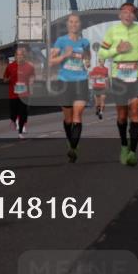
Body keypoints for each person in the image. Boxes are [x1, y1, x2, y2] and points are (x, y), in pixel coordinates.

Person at [98, 2, 138, 166]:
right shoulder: (112, 31)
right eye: (125, 12)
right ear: (120, 15)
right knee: (122, 116)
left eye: (131, 12)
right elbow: (102, 53)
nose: (128, 15)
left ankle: (133, 152)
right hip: (119, 75)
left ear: (134, 15)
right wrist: (117, 51)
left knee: (135, 110)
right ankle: (123, 145)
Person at [49, 13, 91, 162]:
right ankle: (71, 143)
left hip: (81, 81)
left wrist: (87, 62)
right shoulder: (60, 41)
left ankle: (73, 148)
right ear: (67, 25)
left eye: (76, 22)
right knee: (67, 119)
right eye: (71, 22)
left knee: (77, 115)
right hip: (64, 81)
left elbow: (88, 57)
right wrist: (64, 56)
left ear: (80, 25)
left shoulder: (85, 42)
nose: (74, 24)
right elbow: (51, 62)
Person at [3, 46, 35, 138]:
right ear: (15, 56)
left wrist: (32, 82)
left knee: (23, 112)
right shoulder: (10, 66)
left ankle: (21, 130)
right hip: (13, 94)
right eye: (18, 55)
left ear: (24, 56)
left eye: (21, 55)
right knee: (13, 113)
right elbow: (4, 79)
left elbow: (33, 76)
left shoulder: (29, 66)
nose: (19, 56)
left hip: (25, 93)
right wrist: (8, 79)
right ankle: (15, 120)